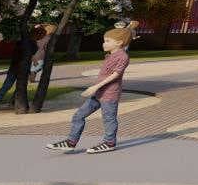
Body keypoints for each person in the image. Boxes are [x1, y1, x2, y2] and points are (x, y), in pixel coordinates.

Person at [46, 21, 136, 154]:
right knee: (78, 116)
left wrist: (95, 86)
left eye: (107, 41)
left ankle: (109, 143)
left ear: (119, 43)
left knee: (109, 119)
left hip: (109, 94)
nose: (104, 43)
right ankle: (71, 142)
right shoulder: (111, 55)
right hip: (98, 93)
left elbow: (116, 74)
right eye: (104, 41)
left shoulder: (123, 56)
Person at [0, 24, 50, 111]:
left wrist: (33, 61)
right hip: (22, 68)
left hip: (15, 66)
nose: (41, 38)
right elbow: (29, 55)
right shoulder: (33, 45)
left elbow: (22, 54)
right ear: (38, 35)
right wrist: (33, 61)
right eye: (41, 36)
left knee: (7, 85)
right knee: (19, 86)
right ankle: (11, 101)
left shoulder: (23, 42)